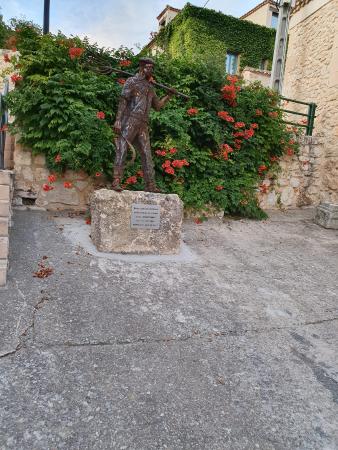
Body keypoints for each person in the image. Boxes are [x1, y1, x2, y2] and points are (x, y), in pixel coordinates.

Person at [112, 57, 175, 192]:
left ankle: (150, 185)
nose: (151, 70)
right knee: (122, 149)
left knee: (147, 153)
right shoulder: (132, 81)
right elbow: (123, 101)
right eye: (148, 67)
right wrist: (118, 120)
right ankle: (116, 181)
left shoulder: (150, 87)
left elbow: (157, 106)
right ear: (141, 68)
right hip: (129, 120)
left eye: (152, 68)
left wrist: (168, 96)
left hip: (143, 123)